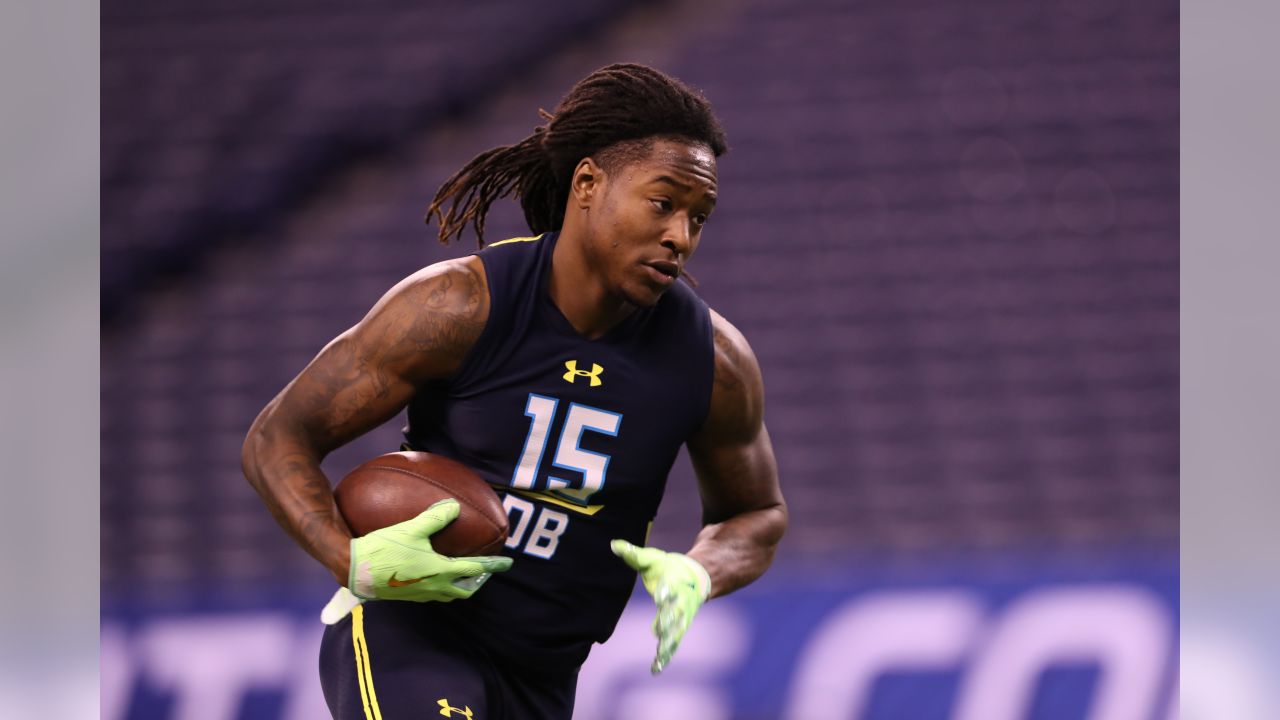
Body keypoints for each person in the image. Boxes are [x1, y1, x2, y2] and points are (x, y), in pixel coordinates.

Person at [241, 63, 786, 720]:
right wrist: (347, 557)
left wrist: (700, 570)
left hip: (547, 677)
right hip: (415, 636)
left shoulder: (714, 359)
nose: (681, 236)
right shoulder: (458, 306)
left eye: (699, 217)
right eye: (663, 203)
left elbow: (754, 514)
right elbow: (278, 437)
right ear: (588, 184)